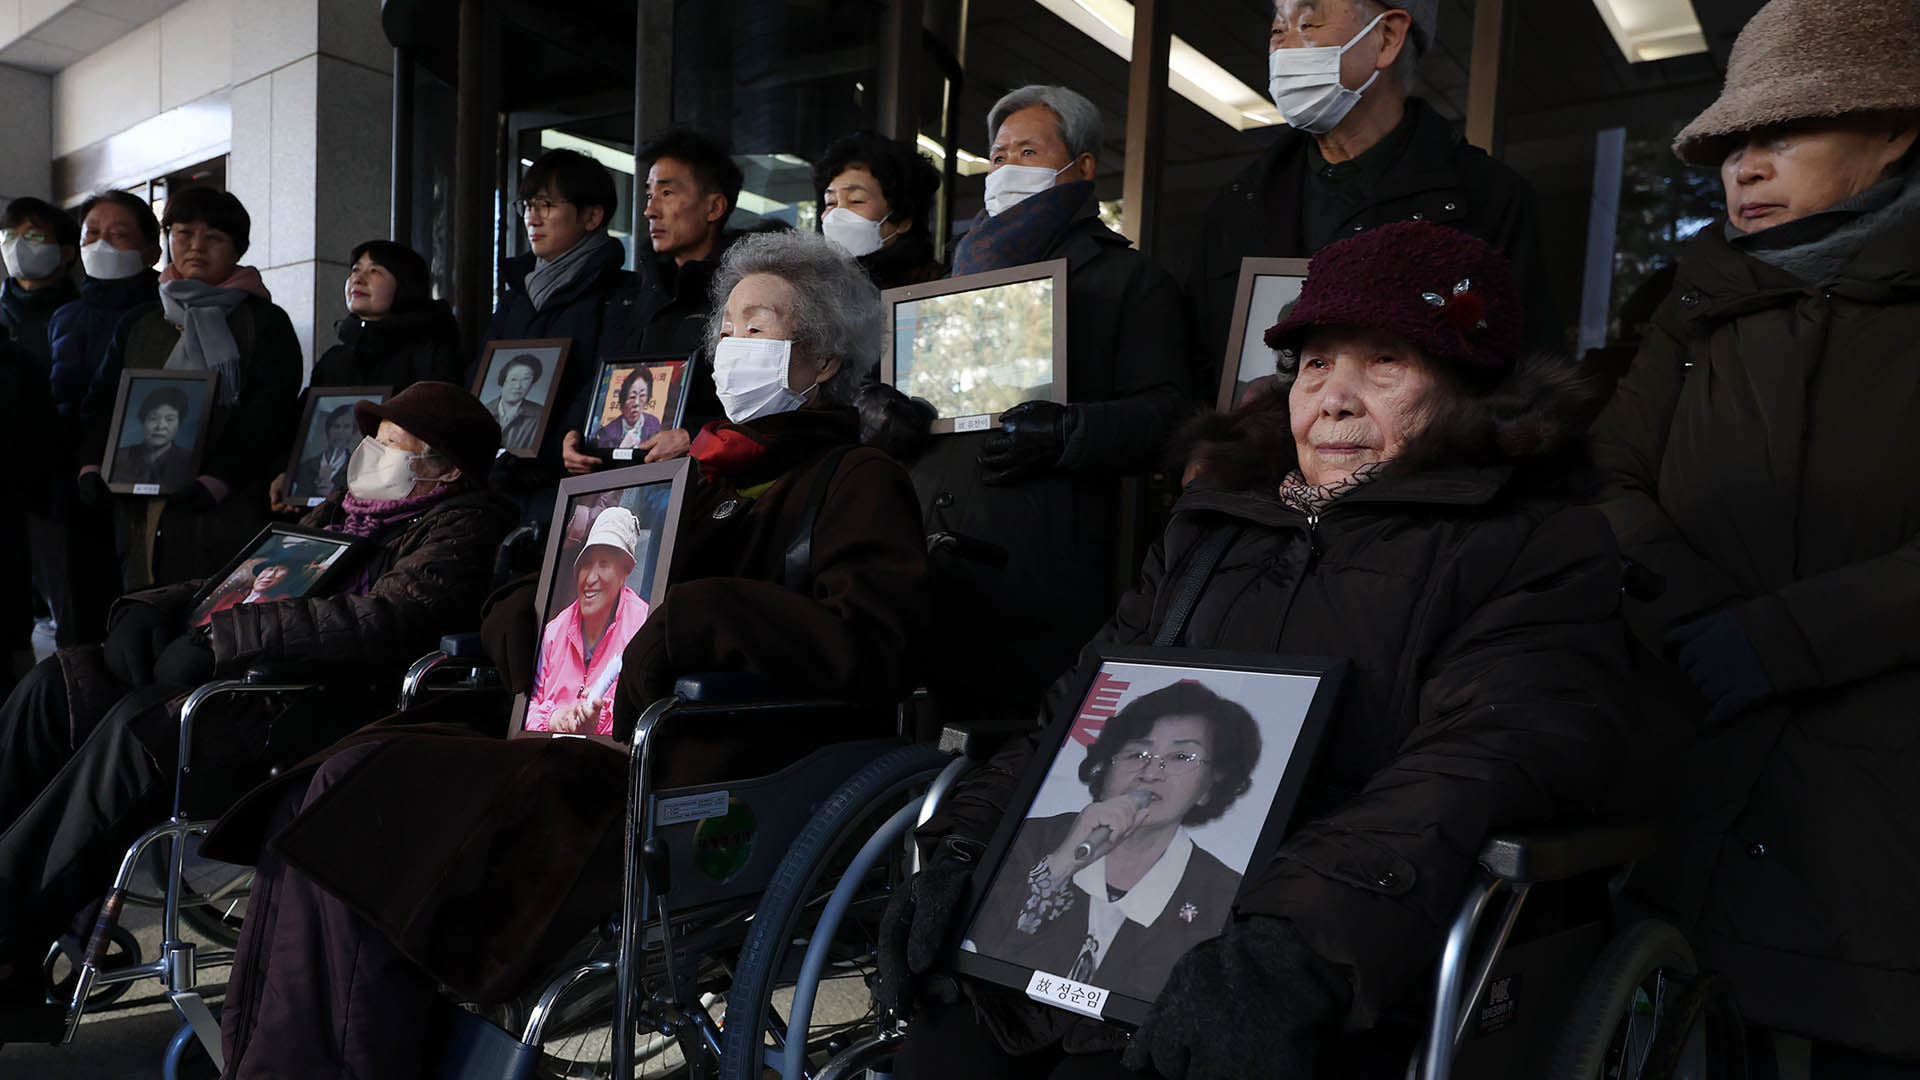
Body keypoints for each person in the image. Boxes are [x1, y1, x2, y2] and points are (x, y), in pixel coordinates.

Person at [881, 221, 1634, 1080]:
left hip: (1329, 935)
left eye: (1383, 362)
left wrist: (1287, 943)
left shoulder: (1533, 544)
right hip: (1118, 899)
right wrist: (971, 848)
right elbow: (1084, 715)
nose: (1334, 398)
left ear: (1467, 388)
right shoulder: (1212, 528)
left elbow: (1480, 760)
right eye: (1315, 365)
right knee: (942, 1052)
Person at [202, 231, 929, 1078]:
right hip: (583, 730)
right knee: (340, 780)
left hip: (706, 750)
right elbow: (583, 594)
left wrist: (702, 614)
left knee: (374, 815)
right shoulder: (695, 473)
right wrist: (533, 615)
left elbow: (871, 648)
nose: (732, 348)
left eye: (757, 327)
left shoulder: (856, 477)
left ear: (827, 359)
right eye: (725, 328)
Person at [1590, 0, 1920, 1071]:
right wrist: (1695, 616)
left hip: (1886, 815)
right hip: (1695, 755)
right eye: (1733, 143)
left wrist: (1786, 639)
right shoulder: (1691, 301)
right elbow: (1607, 476)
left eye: (1784, 133)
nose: (1746, 167)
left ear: (1896, 125)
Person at [0, 381, 516, 1041]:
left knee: (142, 730)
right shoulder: (343, 512)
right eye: (373, 440)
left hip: (317, 706)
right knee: (57, 687)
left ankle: (8, 938)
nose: (373, 455)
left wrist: (225, 638)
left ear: (442, 467)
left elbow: (390, 618)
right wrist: (151, 610)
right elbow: (249, 578)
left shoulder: (465, 523)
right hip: (249, 678)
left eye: (395, 446)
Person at [906, 85, 1195, 731]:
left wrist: (1071, 430)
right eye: (997, 155)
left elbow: (1170, 412)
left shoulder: (1130, 279)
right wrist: (888, 411)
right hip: (933, 562)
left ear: (1083, 167)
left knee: (1019, 755)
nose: (1004, 168)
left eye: (1028, 151)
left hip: (1039, 578)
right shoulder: (952, 279)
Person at [1188, 0, 1559, 396]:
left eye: (1309, 23)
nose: (1283, 49)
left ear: (1387, 38)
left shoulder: (1488, 200)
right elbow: (1196, 367)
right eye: (1278, 30)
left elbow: (1529, 386)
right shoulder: (1239, 204)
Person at [962, 682, 1258, 1005]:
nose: (1151, 772)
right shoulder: (1034, 837)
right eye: (1137, 753)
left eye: (1181, 757)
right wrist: (1061, 864)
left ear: (1211, 786)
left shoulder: (1223, 894)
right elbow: (978, 950)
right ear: (1108, 764)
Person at [75, 187, 303, 589]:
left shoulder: (264, 322)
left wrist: (215, 481)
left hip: (229, 509)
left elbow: (267, 417)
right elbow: (103, 403)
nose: (196, 247)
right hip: (141, 511)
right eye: (183, 234)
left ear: (238, 248)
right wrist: (92, 466)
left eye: (213, 237)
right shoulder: (141, 320)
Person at [558, 128, 746, 481]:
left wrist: (694, 434)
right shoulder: (635, 292)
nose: (649, 210)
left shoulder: (743, 294)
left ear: (714, 207)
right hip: (625, 482)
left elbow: (763, 406)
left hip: (706, 485)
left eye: (668, 192)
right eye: (649, 193)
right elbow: (606, 380)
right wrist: (574, 431)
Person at [40, 191, 163, 648]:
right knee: (77, 613)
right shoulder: (65, 314)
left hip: (141, 482)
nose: (101, 243)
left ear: (151, 251)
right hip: (73, 486)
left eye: (119, 234)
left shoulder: (162, 314)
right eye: (92, 232)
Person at [482, 149, 634, 502]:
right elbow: (481, 377)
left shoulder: (619, 294)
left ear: (592, 215)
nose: (533, 219)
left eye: (546, 205)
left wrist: (568, 436)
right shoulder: (514, 298)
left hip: (567, 481)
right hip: (500, 479)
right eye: (528, 206)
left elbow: (606, 382)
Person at [524, 506, 649, 735]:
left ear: (625, 572)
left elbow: (642, 717)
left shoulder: (643, 627)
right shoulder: (554, 631)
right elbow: (523, 708)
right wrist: (553, 719)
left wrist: (596, 725)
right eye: (587, 564)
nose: (591, 578)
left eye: (604, 564)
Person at [312, 239, 462, 389]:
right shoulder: (332, 361)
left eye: (374, 271)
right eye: (355, 270)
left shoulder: (432, 356)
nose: (357, 279)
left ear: (404, 283)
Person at [814, 130, 946, 289]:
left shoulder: (936, 288)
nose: (837, 214)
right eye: (831, 203)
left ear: (902, 219)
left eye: (856, 200)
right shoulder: (817, 290)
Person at [0, 197, 81, 371]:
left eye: (34, 235)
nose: (17, 245)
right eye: (10, 236)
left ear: (66, 253)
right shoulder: (3, 310)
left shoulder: (80, 317)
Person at [107, 385, 197, 489]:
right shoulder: (118, 457)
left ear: (179, 423)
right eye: (153, 418)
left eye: (169, 419)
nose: (161, 426)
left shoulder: (190, 460)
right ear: (143, 420)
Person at [194, 550, 306, 625]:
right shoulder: (235, 595)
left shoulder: (280, 601)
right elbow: (204, 622)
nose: (269, 575)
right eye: (269, 569)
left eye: (279, 571)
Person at [289, 403, 359, 504]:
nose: (340, 431)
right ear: (328, 430)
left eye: (346, 427)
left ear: (353, 432)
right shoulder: (306, 466)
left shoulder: (357, 470)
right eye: (336, 426)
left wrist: (332, 492)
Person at [591, 368, 663, 449]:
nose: (636, 403)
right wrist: (622, 448)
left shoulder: (653, 423)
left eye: (642, 395)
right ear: (623, 400)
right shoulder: (607, 433)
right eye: (632, 397)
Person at [489, 353, 546, 450]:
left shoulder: (540, 414)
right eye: (513, 379)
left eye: (526, 379)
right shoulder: (482, 410)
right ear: (502, 382)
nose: (518, 386)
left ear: (532, 383)